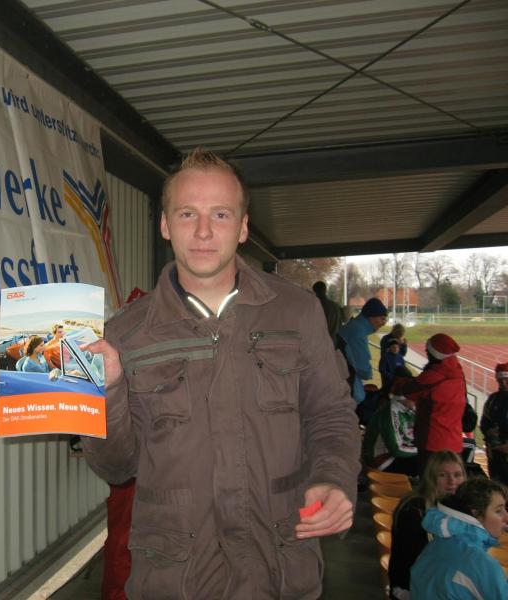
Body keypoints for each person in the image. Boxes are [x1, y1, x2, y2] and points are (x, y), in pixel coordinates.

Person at [81, 148, 360, 599]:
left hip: (280, 571)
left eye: (221, 214)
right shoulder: (124, 334)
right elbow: (116, 467)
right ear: (165, 225)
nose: (204, 231)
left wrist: (333, 477)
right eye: (187, 213)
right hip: (177, 580)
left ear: (243, 226)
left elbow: (330, 414)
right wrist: (108, 391)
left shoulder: (297, 312)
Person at [410, 477, 508, 600]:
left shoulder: (434, 546)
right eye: (498, 511)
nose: (506, 517)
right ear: (476, 514)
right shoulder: (480, 564)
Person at [388, 451, 466, 599]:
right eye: (443, 475)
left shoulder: (458, 507)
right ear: (431, 477)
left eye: (457, 475)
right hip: (411, 589)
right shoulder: (413, 509)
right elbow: (413, 561)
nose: (452, 481)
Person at [396, 333, 466, 475]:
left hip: (432, 442)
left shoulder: (432, 376)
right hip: (454, 442)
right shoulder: (458, 373)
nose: (426, 353)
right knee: (451, 484)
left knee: (430, 482)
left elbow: (406, 390)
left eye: (428, 351)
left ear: (434, 355)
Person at [363, 367, 419, 476]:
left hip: (391, 455)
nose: (417, 400)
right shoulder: (390, 412)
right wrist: (421, 450)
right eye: (415, 397)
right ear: (404, 397)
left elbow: (410, 435)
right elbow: (396, 449)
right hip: (380, 460)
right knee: (429, 464)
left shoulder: (406, 409)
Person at [337, 297, 389, 403]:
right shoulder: (358, 333)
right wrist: (369, 372)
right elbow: (364, 371)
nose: (384, 323)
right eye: (382, 319)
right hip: (345, 391)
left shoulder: (354, 327)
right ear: (372, 317)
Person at [480, 362, 508, 485]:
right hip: (496, 456)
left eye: (507, 380)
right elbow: (484, 422)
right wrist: (488, 431)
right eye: (500, 381)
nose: (504, 384)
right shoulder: (493, 399)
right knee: (497, 486)